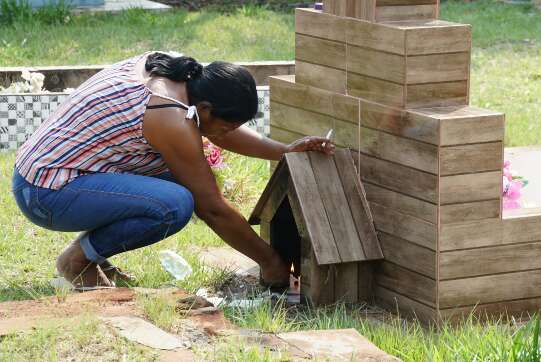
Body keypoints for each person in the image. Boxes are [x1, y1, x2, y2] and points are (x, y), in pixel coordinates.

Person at [11, 51, 334, 289]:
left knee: (178, 181)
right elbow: (212, 208)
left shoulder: (179, 72)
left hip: (54, 172)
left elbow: (220, 130)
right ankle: (77, 261)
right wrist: (271, 263)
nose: (224, 134)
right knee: (175, 204)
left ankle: (90, 253)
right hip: (45, 192)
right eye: (226, 125)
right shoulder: (168, 114)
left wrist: (284, 151)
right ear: (205, 109)